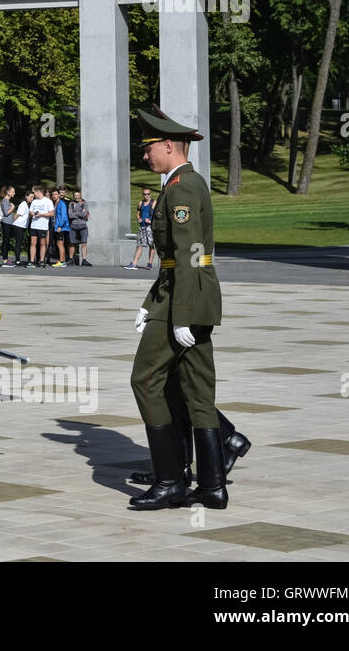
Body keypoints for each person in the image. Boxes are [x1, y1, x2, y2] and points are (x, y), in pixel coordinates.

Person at [128, 105, 228, 510]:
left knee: (145, 380)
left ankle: (169, 479)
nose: (145, 154)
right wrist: (148, 301)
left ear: (168, 146)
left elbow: (187, 254)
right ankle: (212, 486)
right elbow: (174, 261)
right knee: (196, 391)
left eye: (148, 146)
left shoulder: (182, 187)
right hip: (185, 295)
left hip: (182, 302)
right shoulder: (185, 184)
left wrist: (179, 314)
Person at [127, 187, 156, 269]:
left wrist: (150, 221)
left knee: (151, 245)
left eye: (148, 194)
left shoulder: (154, 202)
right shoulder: (141, 203)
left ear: (150, 194)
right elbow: (138, 212)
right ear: (142, 194)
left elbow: (158, 215)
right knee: (139, 244)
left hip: (150, 227)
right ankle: (134, 263)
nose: (146, 196)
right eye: (144, 194)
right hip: (142, 226)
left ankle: (150, 263)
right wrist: (138, 218)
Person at [28, 185, 54, 268]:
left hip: (43, 226)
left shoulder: (48, 201)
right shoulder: (34, 202)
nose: (34, 194)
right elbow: (30, 212)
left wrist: (42, 214)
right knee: (33, 243)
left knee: (42, 244)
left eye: (34, 192)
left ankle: (42, 261)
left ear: (38, 192)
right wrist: (33, 213)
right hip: (34, 225)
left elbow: (52, 213)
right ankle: (31, 261)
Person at [10, 189, 32, 266]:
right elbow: (17, 214)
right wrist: (12, 223)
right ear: (26, 197)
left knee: (19, 242)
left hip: (22, 226)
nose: (31, 199)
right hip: (18, 225)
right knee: (18, 243)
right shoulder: (23, 204)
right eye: (30, 197)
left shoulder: (27, 204)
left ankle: (18, 259)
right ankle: (17, 260)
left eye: (32, 197)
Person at [69, 190, 92, 265]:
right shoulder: (71, 203)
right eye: (75, 195)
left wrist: (75, 213)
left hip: (82, 225)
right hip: (73, 226)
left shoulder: (84, 203)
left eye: (78, 195)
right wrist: (79, 213)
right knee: (72, 243)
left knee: (84, 243)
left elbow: (84, 214)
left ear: (80, 195)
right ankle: (71, 259)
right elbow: (70, 215)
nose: (76, 197)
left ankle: (84, 260)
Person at [0, 186, 17, 266]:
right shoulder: (5, 201)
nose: (14, 193)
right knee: (5, 241)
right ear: (8, 192)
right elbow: (6, 213)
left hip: (9, 223)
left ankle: (6, 260)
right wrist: (12, 207)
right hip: (6, 223)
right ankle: (5, 261)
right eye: (13, 191)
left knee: (7, 241)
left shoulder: (7, 201)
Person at [52, 187, 70, 267]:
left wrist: (60, 226)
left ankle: (62, 261)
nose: (54, 196)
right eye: (53, 194)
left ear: (59, 195)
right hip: (56, 226)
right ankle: (61, 260)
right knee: (58, 244)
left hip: (60, 227)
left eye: (56, 194)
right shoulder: (55, 203)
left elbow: (64, 217)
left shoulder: (61, 204)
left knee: (60, 244)